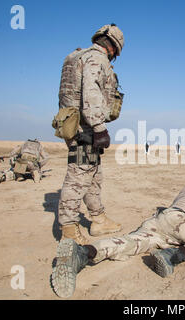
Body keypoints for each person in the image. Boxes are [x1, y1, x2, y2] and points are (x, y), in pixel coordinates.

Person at [51, 170, 185, 298]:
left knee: (129, 242)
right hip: (180, 224)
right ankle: (173, 255)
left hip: (158, 221)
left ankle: (83, 253)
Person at [57, 24, 125, 245]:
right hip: (84, 127)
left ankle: (98, 218)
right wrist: (99, 128)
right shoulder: (97, 59)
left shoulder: (76, 56)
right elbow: (91, 91)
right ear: (114, 47)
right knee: (78, 176)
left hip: (73, 122)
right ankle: (68, 229)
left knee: (94, 174)